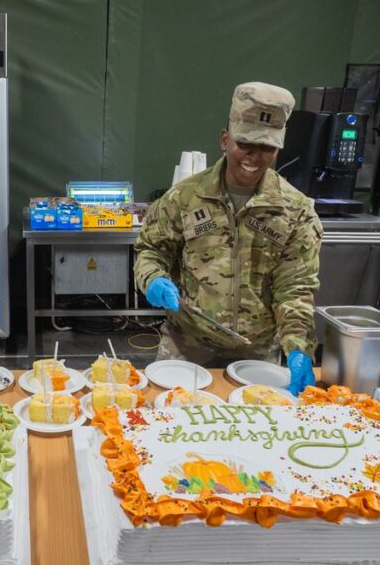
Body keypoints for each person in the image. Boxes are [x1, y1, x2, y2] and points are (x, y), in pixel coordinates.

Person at [134, 82, 321, 395]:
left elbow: (296, 288)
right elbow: (151, 250)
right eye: (245, 144)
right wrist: (153, 278)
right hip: (187, 347)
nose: (254, 157)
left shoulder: (295, 209)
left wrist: (299, 347)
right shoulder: (184, 197)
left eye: (267, 148)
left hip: (256, 354)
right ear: (225, 139)